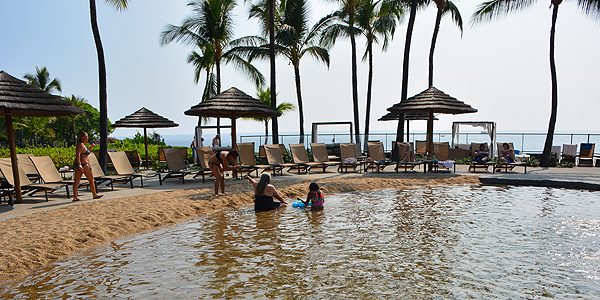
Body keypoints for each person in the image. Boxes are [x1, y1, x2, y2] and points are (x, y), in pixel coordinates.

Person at [73, 132, 103, 201]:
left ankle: (75, 197)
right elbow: (78, 155)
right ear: (81, 137)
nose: (87, 138)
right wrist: (80, 165)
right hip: (84, 164)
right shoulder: (80, 145)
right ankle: (94, 194)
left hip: (82, 164)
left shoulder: (82, 145)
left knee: (77, 181)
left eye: (87, 137)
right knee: (91, 180)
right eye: (85, 137)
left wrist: (91, 147)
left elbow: (85, 154)